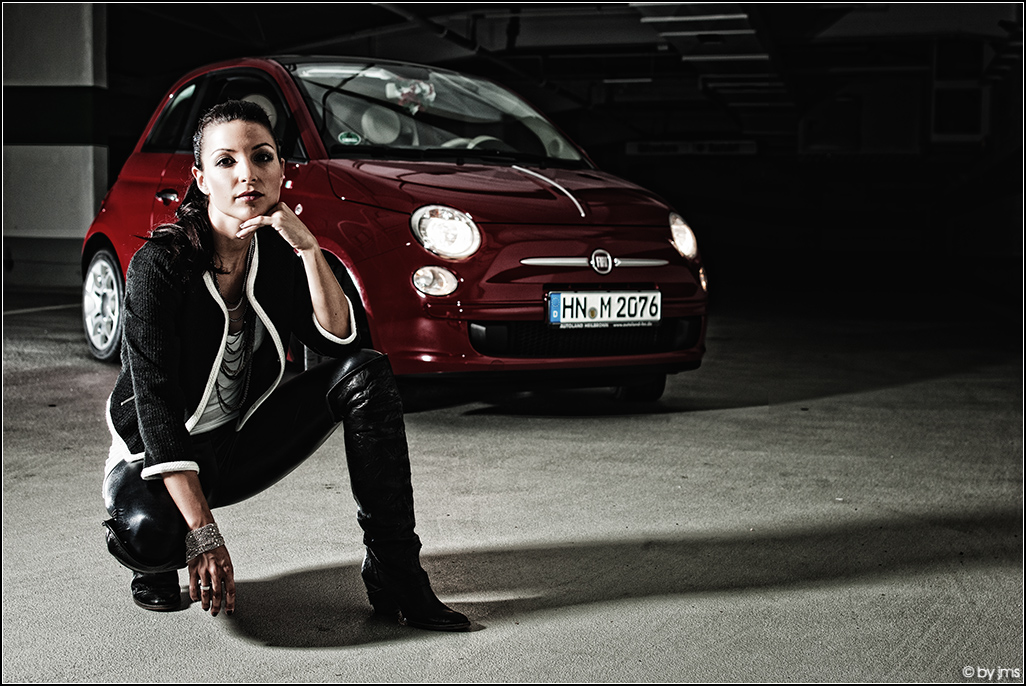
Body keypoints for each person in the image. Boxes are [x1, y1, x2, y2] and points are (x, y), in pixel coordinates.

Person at [100, 99, 469, 631]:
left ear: (280, 170)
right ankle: (157, 563)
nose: (247, 173)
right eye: (226, 161)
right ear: (201, 179)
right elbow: (155, 408)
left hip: (235, 443)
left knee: (366, 373)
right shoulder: (159, 266)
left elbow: (339, 339)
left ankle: (396, 570)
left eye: (262, 156)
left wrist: (309, 249)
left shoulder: (275, 256)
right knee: (151, 533)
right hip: (153, 455)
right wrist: (203, 532)